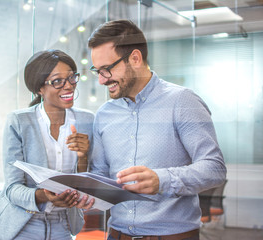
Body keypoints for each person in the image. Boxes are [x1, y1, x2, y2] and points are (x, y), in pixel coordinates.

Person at [88, 20, 227, 240]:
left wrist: (162, 180)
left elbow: (214, 169)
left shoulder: (182, 101)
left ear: (135, 58)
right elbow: (100, 175)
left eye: (107, 69)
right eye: (97, 70)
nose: (101, 80)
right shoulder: (104, 114)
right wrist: (84, 192)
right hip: (116, 235)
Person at [0, 49, 94, 240]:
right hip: (23, 224)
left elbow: (91, 181)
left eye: (71, 78)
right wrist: (44, 195)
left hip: (63, 223)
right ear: (39, 88)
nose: (68, 86)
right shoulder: (19, 121)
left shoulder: (87, 120)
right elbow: (12, 189)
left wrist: (83, 157)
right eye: (57, 81)